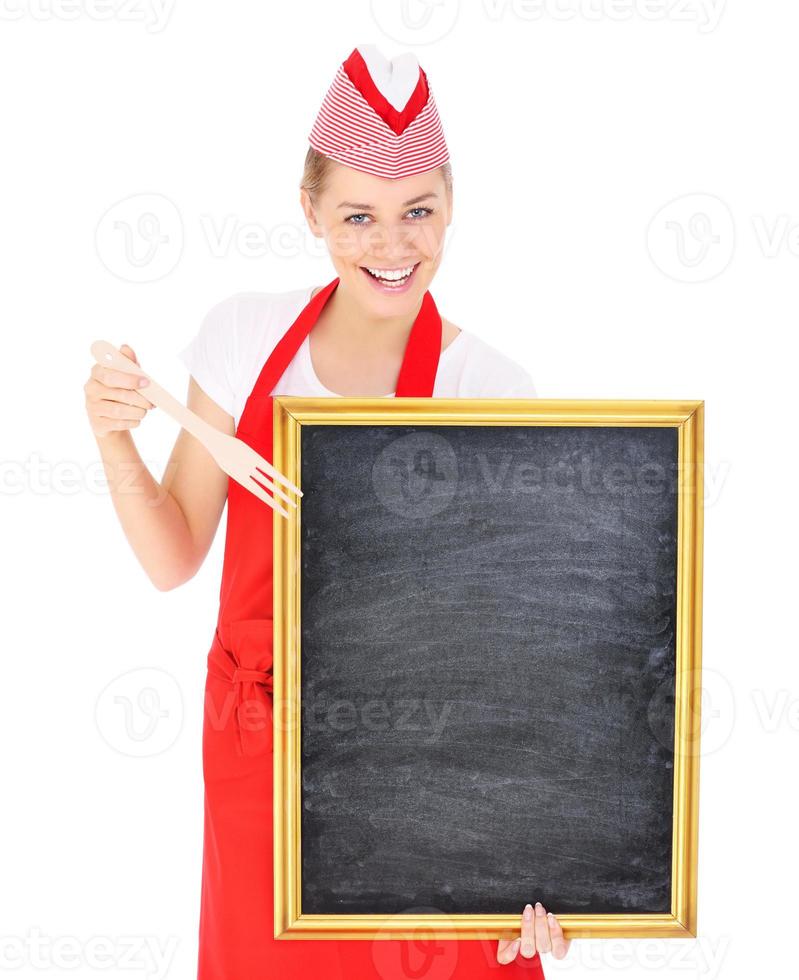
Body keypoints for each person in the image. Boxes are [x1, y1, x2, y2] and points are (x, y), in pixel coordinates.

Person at [84, 43, 572, 979]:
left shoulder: (488, 387)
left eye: (417, 212)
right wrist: (114, 440)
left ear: (450, 206)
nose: (392, 248)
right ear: (309, 210)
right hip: (257, 764)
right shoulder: (242, 337)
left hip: (431, 780)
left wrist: (549, 859)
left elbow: (523, 658)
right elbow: (174, 555)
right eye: (358, 217)